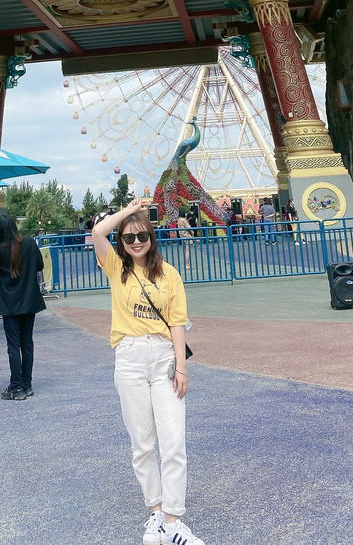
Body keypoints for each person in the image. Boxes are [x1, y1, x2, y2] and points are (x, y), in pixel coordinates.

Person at [92, 197, 205, 545]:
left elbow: (177, 323)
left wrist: (181, 369)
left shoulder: (169, 275)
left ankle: (173, 521)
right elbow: (97, 232)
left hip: (163, 359)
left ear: (152, 238)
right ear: (122, 243)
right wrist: (129, 213)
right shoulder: (116, 267)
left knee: (173, 442)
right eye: (129, 238)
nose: (136, 242)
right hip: (129, 359)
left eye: (142, 235)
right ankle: (155, 511)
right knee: (141, 443)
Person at [0, 214, 46, 400]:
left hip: (9, 303)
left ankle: (16, 386)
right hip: (29, 300)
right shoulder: (30, 244)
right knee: (27, 343)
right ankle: (27, 384)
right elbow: (39, 265)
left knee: (13, 345)